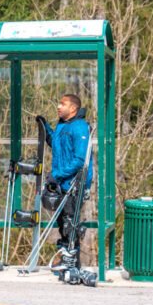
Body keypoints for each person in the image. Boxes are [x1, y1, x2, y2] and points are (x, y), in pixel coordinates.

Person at [38, 93, 93, 252]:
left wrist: (56, 175)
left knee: (70, 223)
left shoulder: (80, 127)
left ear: (73, 108)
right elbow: (57, 144)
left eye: (63, 104)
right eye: (59, 103)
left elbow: (79, 160)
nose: (58, 107)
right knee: (62, 223)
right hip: (61, 183)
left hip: (74, 184)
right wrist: (45, 128)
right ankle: (65, 255)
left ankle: (72, 258)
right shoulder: (62, 125)